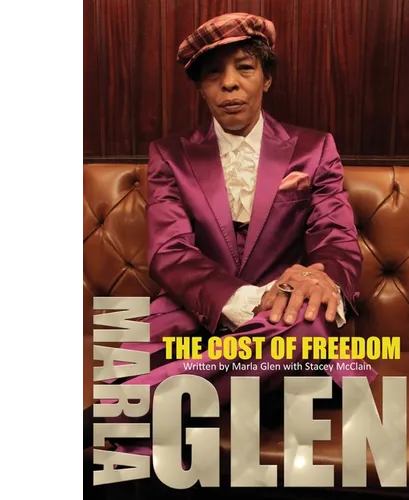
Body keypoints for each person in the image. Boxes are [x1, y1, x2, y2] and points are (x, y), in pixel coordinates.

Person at [81, 12, 376, 458]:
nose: (230, 84)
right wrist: (243, 300)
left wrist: (321, 278)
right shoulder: (170, 155)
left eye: (244, 68)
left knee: (306, 325)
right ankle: (261, 383)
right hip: (197, 312)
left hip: (285, 314)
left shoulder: (315, 148)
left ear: (266, 79)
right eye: (213, 74)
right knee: (134, 353)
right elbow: (170, 251)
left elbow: (336, 238)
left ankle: (110, 416)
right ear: (201, 88)